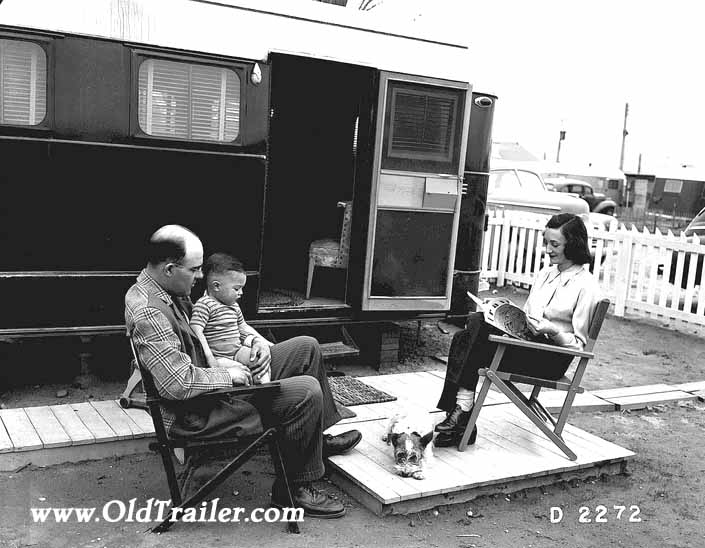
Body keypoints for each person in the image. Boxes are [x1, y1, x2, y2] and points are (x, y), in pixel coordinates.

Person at [125, 225, 361, 518]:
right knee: (306, 390)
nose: (201, 277)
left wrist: (257, 342)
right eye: (195, 270)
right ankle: (292, 489)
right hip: (201, 410)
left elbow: (220, 334)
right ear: (170, 269)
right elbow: (178, 384)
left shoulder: (165, 289)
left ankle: (313, 445)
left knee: (306, 347)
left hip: (216, 380)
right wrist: (230, 374)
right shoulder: (150, 310)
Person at [434, 213, 602, 448]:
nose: (547, 249)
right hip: (526, 345)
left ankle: (461, 412)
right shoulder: (546, 274)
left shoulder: (587, 285)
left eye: (554, 244)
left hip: (551, 359)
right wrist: (505, 317)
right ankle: (461, 414)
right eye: (546, 242)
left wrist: (552, 330)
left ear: (572, 245)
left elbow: (579, 345)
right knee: (474, 325)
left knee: (471, 336)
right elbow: (529, 316)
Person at [190, 253, 271, 384]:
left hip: (237, 351)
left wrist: (265, 343)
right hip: (219, 357)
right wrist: (210, 357)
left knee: (259, 359)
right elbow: (196, 330)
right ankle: (253, 389)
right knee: (241, 370)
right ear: (216, 286)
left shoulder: (233, 306)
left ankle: (266, 386)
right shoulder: (204, 304)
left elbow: (243, 327)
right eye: (236, 288)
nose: (241, 293)